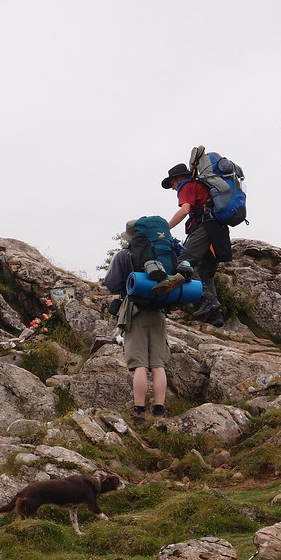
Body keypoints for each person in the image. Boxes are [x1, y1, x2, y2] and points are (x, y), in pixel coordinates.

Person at [103, 220, 171, 424]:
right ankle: (159, 409)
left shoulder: (125, 255)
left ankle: (139, 411)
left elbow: (112, 284)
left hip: (134, 312)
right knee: (158, 364)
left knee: (139, 365)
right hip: (159, 311)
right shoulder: (162, 254)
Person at [158, 163, 229, 327]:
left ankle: (208, 300)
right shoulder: (201, 186)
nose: (173, 188)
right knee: (205, 272)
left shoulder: (187, 185)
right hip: (217, 230)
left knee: (183, 263)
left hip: (204, 227)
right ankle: (215, 316)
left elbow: (185, 210)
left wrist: (165, 228)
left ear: (177, 178)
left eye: (172, 184)